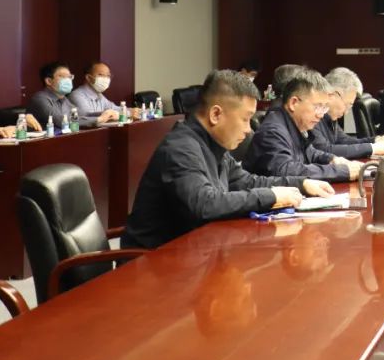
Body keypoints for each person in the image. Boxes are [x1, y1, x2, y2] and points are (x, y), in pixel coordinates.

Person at [122, 70, 334, 249]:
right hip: (152, 265)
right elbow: (205, 204)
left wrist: (301, 184)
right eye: (245, 119)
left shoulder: (214, 145)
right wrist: (271, 196)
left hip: (193, 254)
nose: (249, 129)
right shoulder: (181, 148)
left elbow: (247, 181)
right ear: (216, 114)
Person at [243, 69, 363, 182]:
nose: (321, 115)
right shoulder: (272, 132)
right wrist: (340, 171)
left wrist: (333, 159)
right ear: (293, 103)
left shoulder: (295, 123)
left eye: (324, 107)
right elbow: (286, 170)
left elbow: (311, 153)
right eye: (317, 107)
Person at [313, 67, 384, 159]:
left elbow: (344, 140)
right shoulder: (312, 115)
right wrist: (372, 148)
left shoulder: (330, 116)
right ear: (333, 95)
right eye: (347, 105)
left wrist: (375, 140)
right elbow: (324, 150)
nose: (346, 112)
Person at [27, 61, 96, 130]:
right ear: (49, 81)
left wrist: (100, 115)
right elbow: (60, 121)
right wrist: (97, 120)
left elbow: (82, 114)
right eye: (63, 77)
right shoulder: (39, 99)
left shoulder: (63, 98)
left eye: (69, 77)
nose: (68, 80)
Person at [68, 61, 132, 124]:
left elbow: (115, 109)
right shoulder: (76, 95)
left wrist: (132, 111)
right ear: (88, 78)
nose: (106, 79)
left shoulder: (99, 95)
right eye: (101, 75)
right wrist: (111, 114)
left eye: (108, 76)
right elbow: (87, 116)